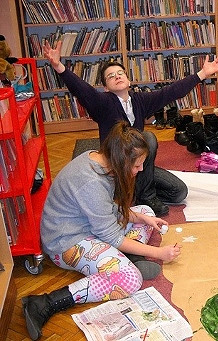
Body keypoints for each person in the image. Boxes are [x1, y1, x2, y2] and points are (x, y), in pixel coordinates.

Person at [22, 122, 181, 340]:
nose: (140, 170)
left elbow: (108, 210)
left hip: (87, 227)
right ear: (122, 160)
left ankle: (126, 259)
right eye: (137, 166)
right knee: (129, 280)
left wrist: (142, 217)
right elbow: (111, 235)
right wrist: (158, 254)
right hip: (66, 242)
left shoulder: (99, 158)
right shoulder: (91, 182)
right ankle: (45, 302)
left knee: (145, 211)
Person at [43, 40, 218, 216]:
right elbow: (81, 89)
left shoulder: (140, 100)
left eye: (120, 73)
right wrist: (59, 66)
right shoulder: (102, 103)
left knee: (179, 192)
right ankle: (145, 196)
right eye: (110, 76)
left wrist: (202, 73)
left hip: (139, 168)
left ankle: (139, 193)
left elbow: (170, 92)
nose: (116, 76)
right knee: (147, 138)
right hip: (116, 168)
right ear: (106, 88)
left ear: (128, 80)